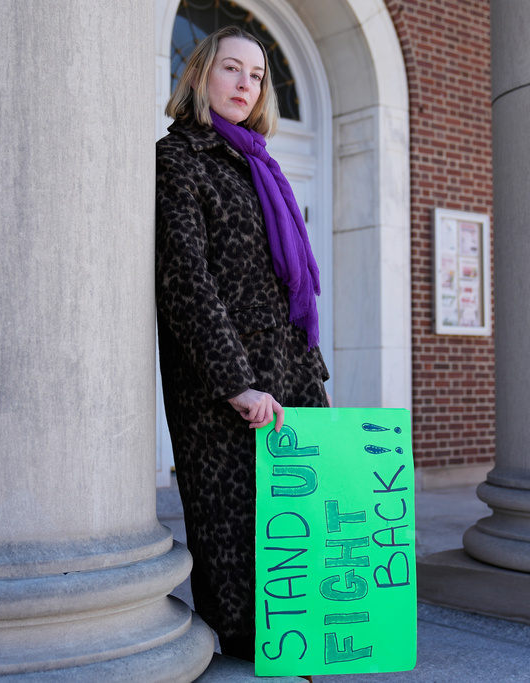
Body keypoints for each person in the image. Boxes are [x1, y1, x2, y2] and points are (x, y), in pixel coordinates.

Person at [155, 26, 329, 663]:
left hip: (286, 373)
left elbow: (288, 288)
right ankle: (246, 656)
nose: (245, 85)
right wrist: (235, 382)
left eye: (256, 76)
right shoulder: (178, 161)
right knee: (234, 542)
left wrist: (313, 377)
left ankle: (297, 649)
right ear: (201, 74)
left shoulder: (260, 165)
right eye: (232, 69)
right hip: (219, 389)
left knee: (297, 529)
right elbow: (184, 282)